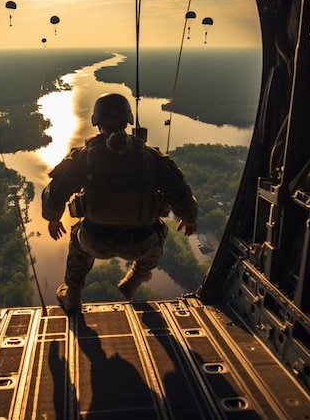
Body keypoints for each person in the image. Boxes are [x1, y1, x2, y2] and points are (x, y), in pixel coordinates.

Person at [42, 93, 198, 313]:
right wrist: (189, 218)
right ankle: (134, 279)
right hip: (141, 243)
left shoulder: (83, 157)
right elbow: (180, 192)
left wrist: (53, 218)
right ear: (128, 121)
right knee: (160, 232)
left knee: (78, 242)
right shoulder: (150, 157)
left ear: (97, 123)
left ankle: (73, 294)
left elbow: (55, 194)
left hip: (95, 240)